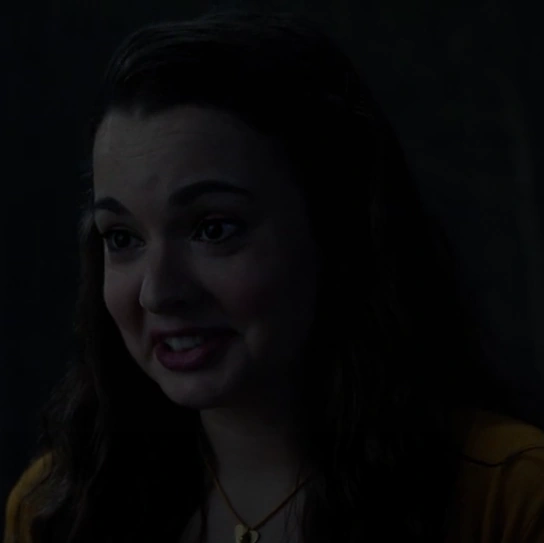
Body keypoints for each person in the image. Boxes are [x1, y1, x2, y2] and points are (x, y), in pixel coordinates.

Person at [4, 7, 544, 543]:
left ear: (338, 228)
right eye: (122, 238)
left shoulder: (510, 497)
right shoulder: (58, 508)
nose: (158, 292)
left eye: (213, 229)